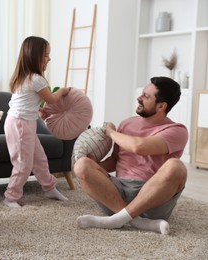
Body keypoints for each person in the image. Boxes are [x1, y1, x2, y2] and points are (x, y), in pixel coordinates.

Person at [74, 76, 188, 235]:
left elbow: (139, 147)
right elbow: (115, 160)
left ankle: (117, 219)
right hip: (116, 195)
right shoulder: (127, 123)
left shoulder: (177, 131)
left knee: (177, 167)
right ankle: (136, 221)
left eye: (146, 97)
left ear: (161, 106)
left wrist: (111, 132)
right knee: (81, 165)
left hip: (151, 198)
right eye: (142, 93)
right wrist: (90, 166)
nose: (139, 98)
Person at [3, 36, 70, 208]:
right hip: (21, 124)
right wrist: (62, 91)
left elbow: (27, 102)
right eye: (46, 55)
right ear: (35, 56)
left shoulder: (24, 78)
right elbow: (52, 99)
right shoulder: (36, 79)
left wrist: (37, 110)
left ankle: (49, 187)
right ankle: (10, 197)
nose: (49, 59)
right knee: (23, 163)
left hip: (23, 121)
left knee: (39, 158)